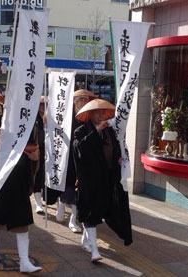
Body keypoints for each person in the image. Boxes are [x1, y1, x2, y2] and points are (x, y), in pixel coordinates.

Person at [0, 116, 42, 273]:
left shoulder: (29, 121)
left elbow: (34, 147)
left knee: (22, 220)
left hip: (20, 178)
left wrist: (35, 157)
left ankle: (24, 261)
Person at [73, 99, 133, 262]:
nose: (100, 115)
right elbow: (80, 150)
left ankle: (86, 240)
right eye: (97, 113)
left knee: (100, 211)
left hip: (106, 180)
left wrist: (118, 160)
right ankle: (94, 250)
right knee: (90, 213)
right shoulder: (80, 131)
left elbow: (113, 150)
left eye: (102, 113)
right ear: (90, 115)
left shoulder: (109, 131)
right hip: (89, 181)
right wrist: (95, 132)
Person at [48, 89, 98, 233]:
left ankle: (73, 219)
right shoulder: (67, 116)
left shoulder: (89, 118)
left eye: (85, 100)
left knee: (80, 189)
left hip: (85, 157)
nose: (83, 102)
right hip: (68, 156)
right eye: (81, 99)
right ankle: (62, 205)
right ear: (75, 102)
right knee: (68, 184)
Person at [33, 96, 46, 214]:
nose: (43, 106)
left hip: (49, 151)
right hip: (37, 150)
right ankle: (38, 203)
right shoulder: (33, 117)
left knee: (46, 175)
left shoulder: (51, 117)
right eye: (41, 104)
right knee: (37, 175)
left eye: (45, 104)